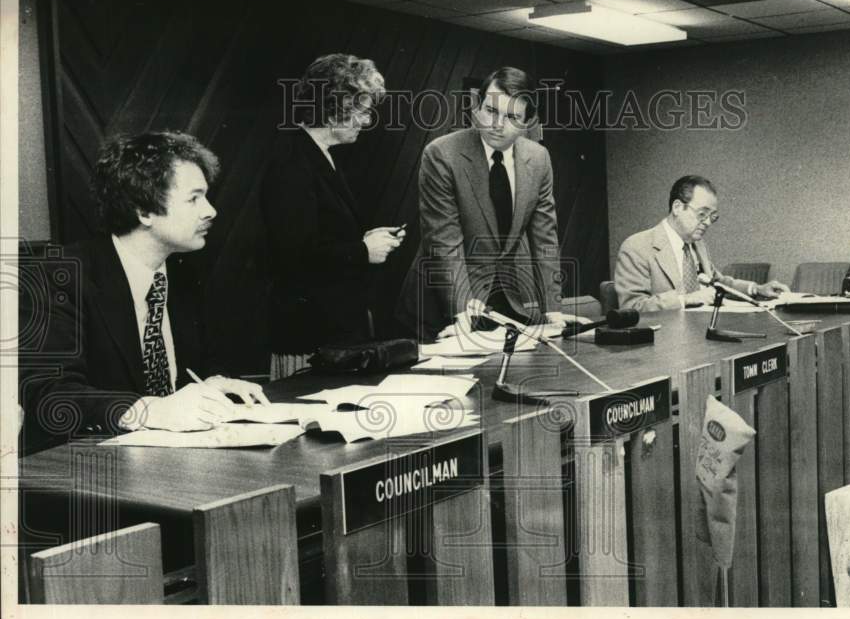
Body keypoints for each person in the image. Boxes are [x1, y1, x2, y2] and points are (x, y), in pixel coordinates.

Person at [19, 132, 268, 455]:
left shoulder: (181, 273)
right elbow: (50, 395)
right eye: (194, 199)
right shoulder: (56, 277)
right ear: (143, 211)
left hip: (168, 459)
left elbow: (177, 378)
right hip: (81, 469)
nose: (211, 211)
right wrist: (151, 410)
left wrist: (209, 385)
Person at [396, 66, 571, 340]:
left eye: (512, 116)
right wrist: (463, 312)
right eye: (491, 111)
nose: (497, 124)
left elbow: (545, 238)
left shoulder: (539, 159)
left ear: (529, 122)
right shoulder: (442, 154)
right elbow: (444, 242)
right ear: (477, 107)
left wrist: (553, 310)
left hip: (501, 304)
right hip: (440, 306)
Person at [261, 53, 405, 378]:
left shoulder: (318, 156)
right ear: (335, 105)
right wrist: (364, 251)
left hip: (330, 332)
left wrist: (365, 240)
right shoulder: (292, 164)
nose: (367, 122)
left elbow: (319, 238)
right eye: (363, 111)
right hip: (309, 337)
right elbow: (293, 258)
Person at [615, 175, 788, 312]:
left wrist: (757, 289)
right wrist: (687, 299)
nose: (707, 223)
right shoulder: (637, 247)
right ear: (677, 207)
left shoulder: (698, 246)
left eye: (712, 217)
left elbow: (720, 283)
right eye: (702, 214)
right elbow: (632, 307)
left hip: (701, 334)